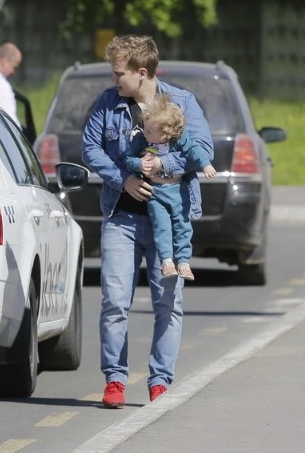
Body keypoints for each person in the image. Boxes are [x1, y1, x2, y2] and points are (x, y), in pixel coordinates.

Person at [81, 35, 212, 408]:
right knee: (114, 301)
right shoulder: (109, 103)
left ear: (141, 72)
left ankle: (160, 381)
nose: (113, 80)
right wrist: (122, 178)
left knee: (167, 302)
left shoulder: (182, 102)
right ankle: (115, 379)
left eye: (118, 73)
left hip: (168, 220)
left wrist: (160, 165)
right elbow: (90, 147)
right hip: (121, 218)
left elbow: (202, 150)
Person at [125, 94, 216, 281]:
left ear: (165, 134)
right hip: (155, 193)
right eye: (145, 128)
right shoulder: (142, 140)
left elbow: (194, 150)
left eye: (149, 130)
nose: (144, 132)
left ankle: (183, 262)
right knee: (162, 227)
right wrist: (138, 165)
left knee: (183, 226)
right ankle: (166, 261)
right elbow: (128, 158)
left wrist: (205, 165)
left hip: (178, 191)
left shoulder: (179, 140)